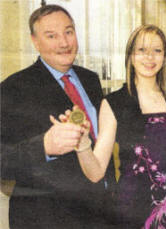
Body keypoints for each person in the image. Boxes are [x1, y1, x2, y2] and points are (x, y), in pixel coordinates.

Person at [53, 24, 166, 228]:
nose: (149, 57)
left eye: (157, 50)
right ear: (131, 56)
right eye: (142, 50)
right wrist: (83, 146)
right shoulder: (114, 102)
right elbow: (96, 171)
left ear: (165, 56)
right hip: (129, 211)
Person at [0, 4, 114, 229]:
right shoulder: (13, 88)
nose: (64, 43)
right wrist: (44, 146)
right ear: (35, 41)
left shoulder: (90, 80)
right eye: (51, 36)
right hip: (47, 219)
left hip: (98, 213)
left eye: (68, 32)